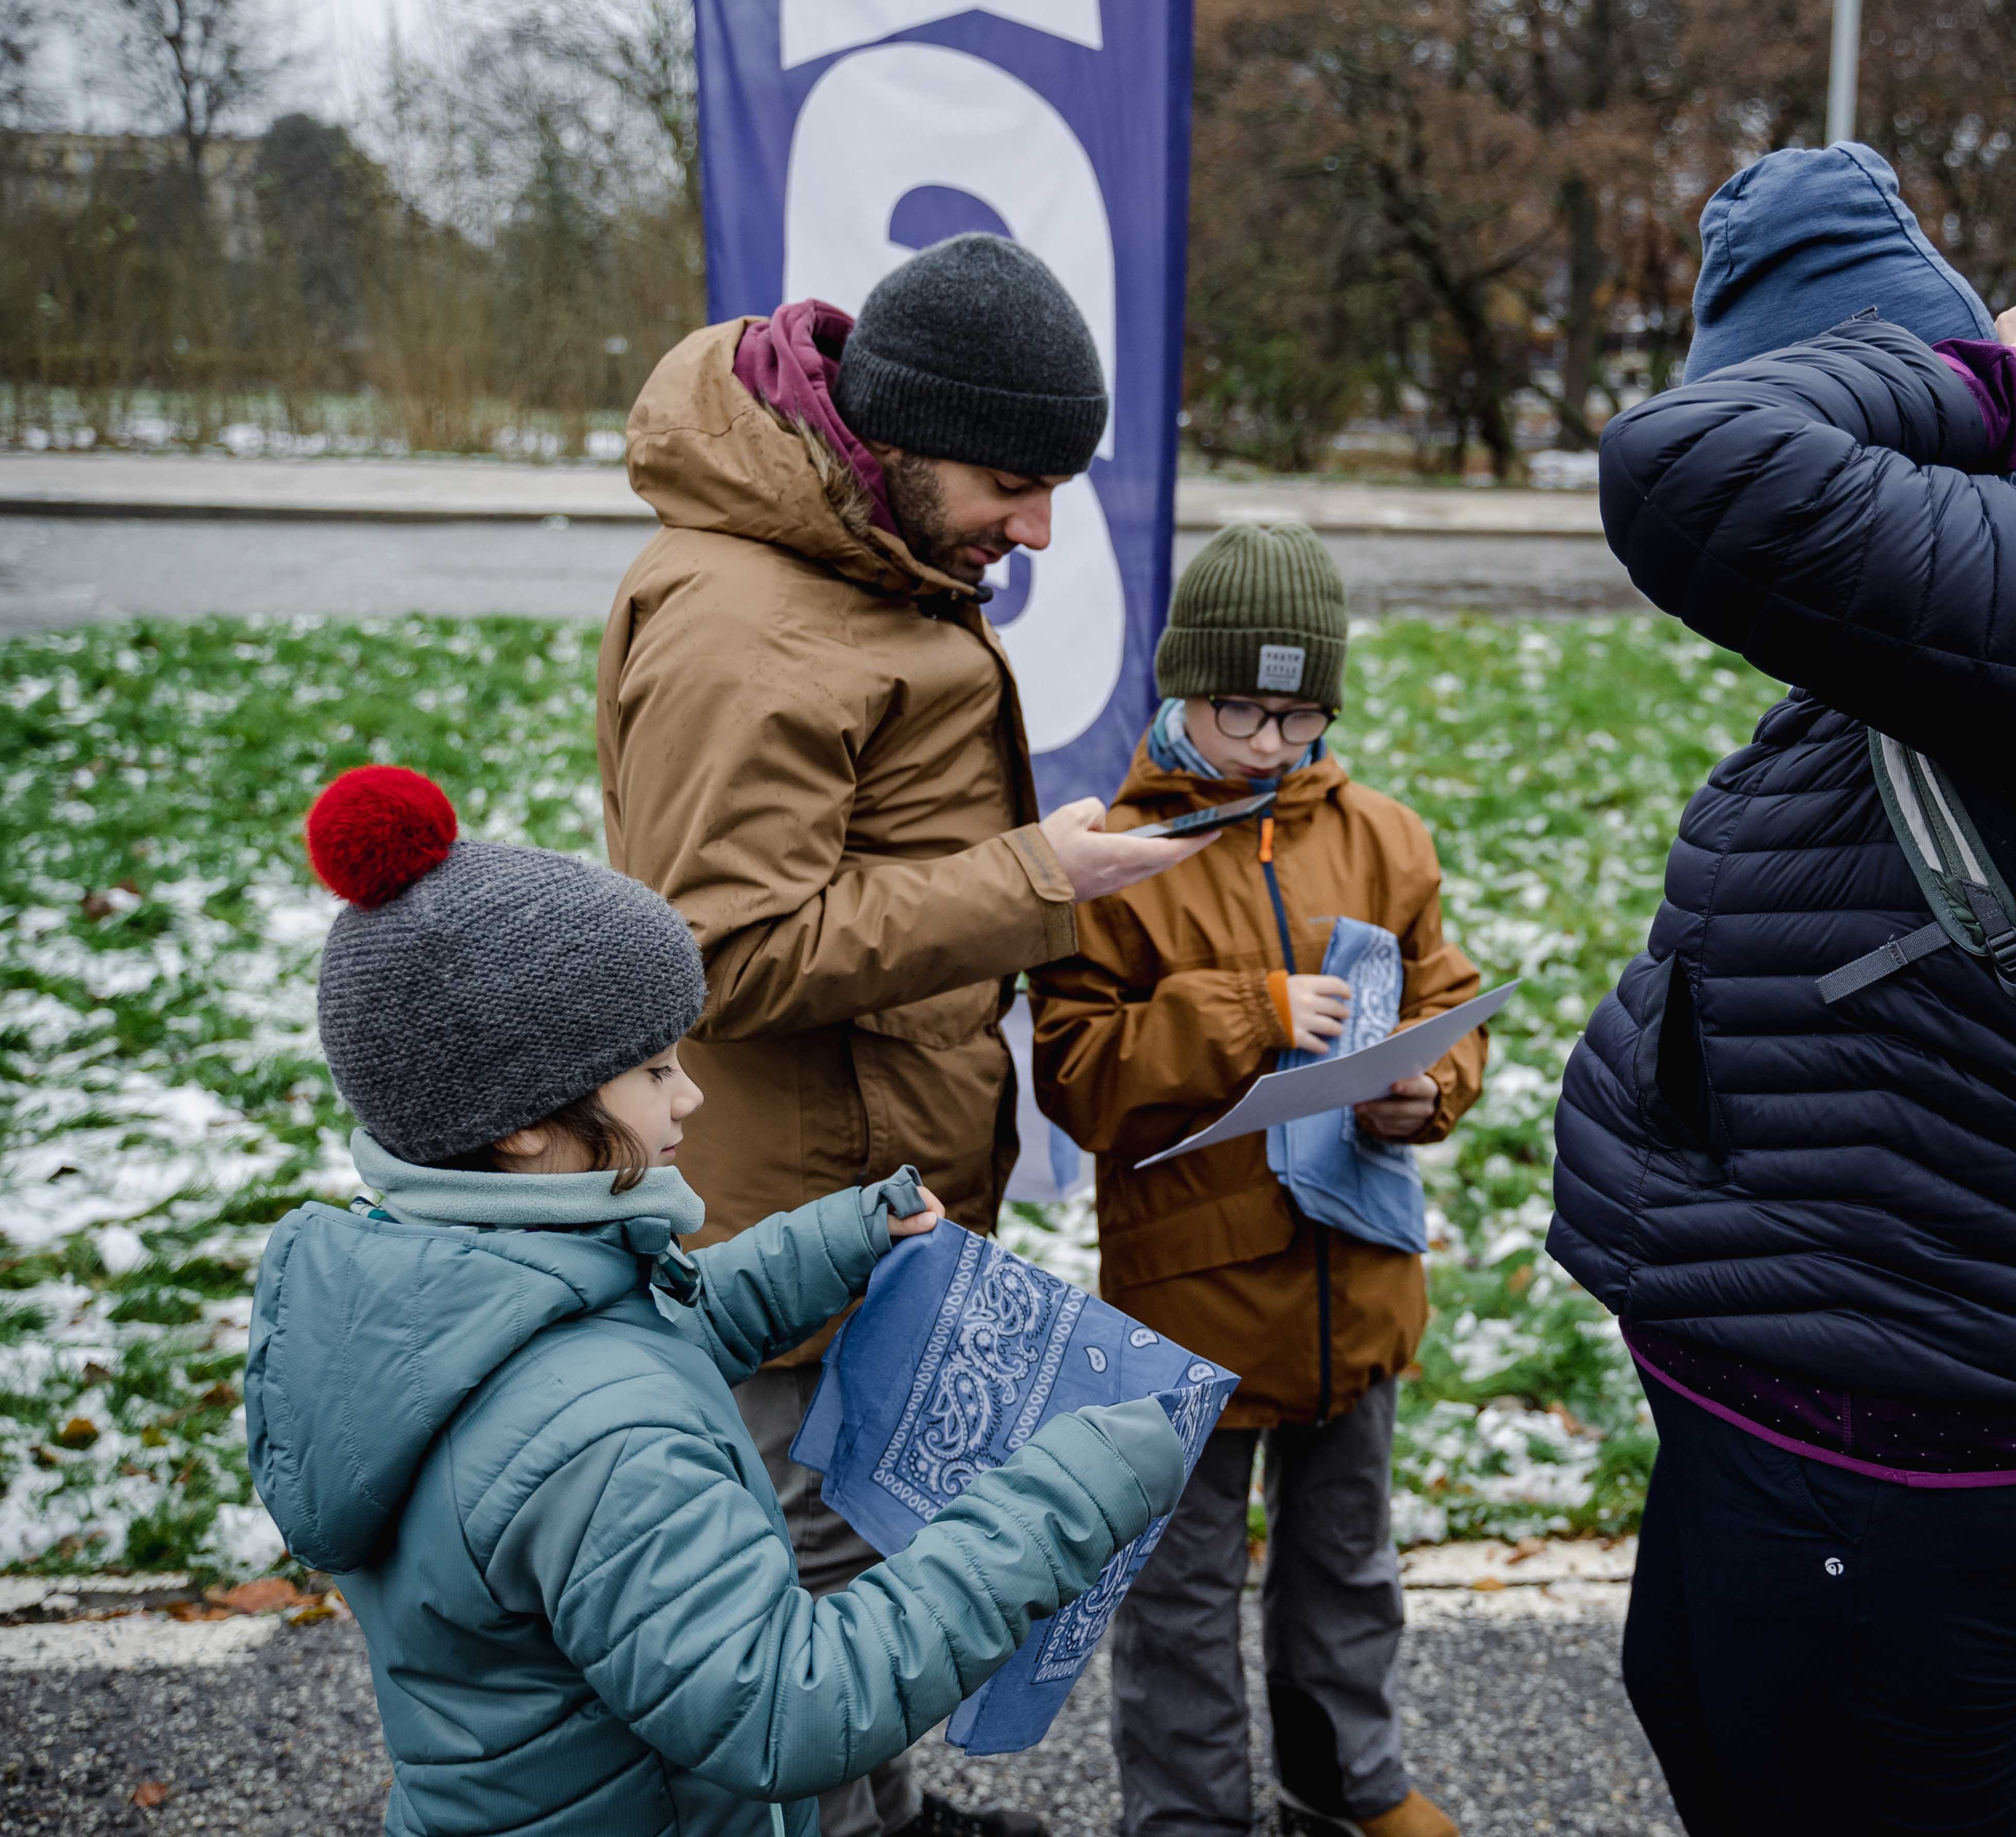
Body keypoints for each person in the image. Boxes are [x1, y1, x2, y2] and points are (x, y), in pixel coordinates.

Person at [1543, 145, 2016, 1835]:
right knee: (1711, 1721)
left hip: (1904, 1444)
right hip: (1839, 1399)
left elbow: (1684, 469)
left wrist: (2010, 386)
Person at [246, 764, 1190, 1837]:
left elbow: (640, 1344)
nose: (689, 1094)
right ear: (522, 1120)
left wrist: (825, 1243)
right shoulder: (601, 1441)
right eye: (654, 1070)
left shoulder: (447, 1286)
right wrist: (1063, 1495)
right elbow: (789, 1705)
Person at [596, 234, 1208, 1837]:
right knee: (792, 1587)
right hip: (782, 1225)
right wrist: (1030, 881)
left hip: (865, 1201)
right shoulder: (754, 628)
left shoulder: (862, 563)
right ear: (903, 437)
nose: (1040, 527)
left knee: (858, 1556)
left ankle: (876, 1807)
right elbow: (713, 955)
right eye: (1015, 480)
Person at [1030, 522, 1487, 1837]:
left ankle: (1348, 1781)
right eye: (1242, 708)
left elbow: (1447, 1000)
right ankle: (1187, 1814)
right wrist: (1248, 1014)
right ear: (1182, 688)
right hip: (1194, 1297)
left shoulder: (1386, 838)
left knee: (1346, 1563)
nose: (1272, 743)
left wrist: (1430, 1089)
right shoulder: (1115, 859)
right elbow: (1076, 1071)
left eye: (1301, 715)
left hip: (1361, 1278)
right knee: (1178, 1587)